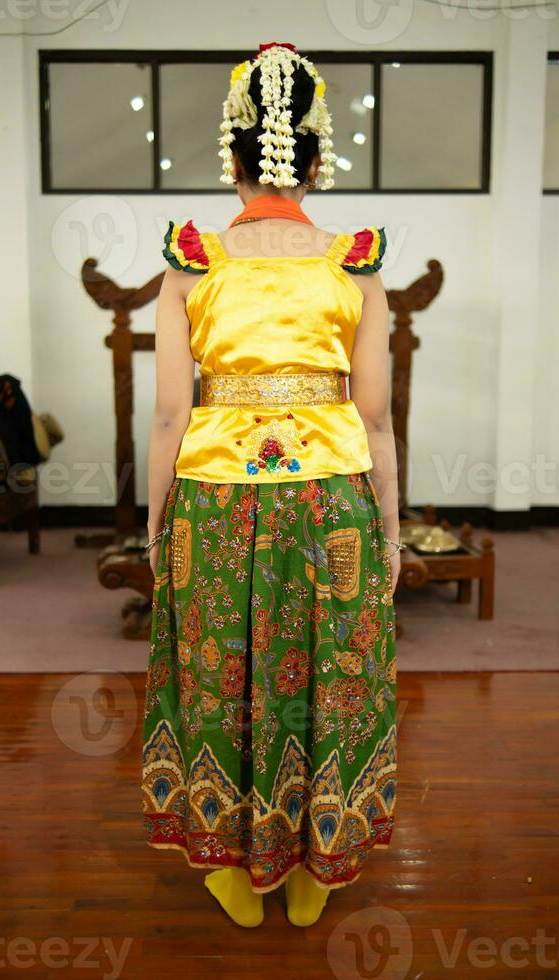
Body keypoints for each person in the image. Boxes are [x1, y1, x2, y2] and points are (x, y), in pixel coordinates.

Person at [142, 42, 401, 929]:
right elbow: (375, 420)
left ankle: (229, 866)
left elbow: (170, 418)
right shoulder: (356, 261)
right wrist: (394, 533)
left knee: (222, 673)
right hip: (330, 499)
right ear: (316, 161)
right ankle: (310, 867)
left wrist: (151, 529)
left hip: (214, 499)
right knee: (326, 674)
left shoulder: (191, 259)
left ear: (235, 158)